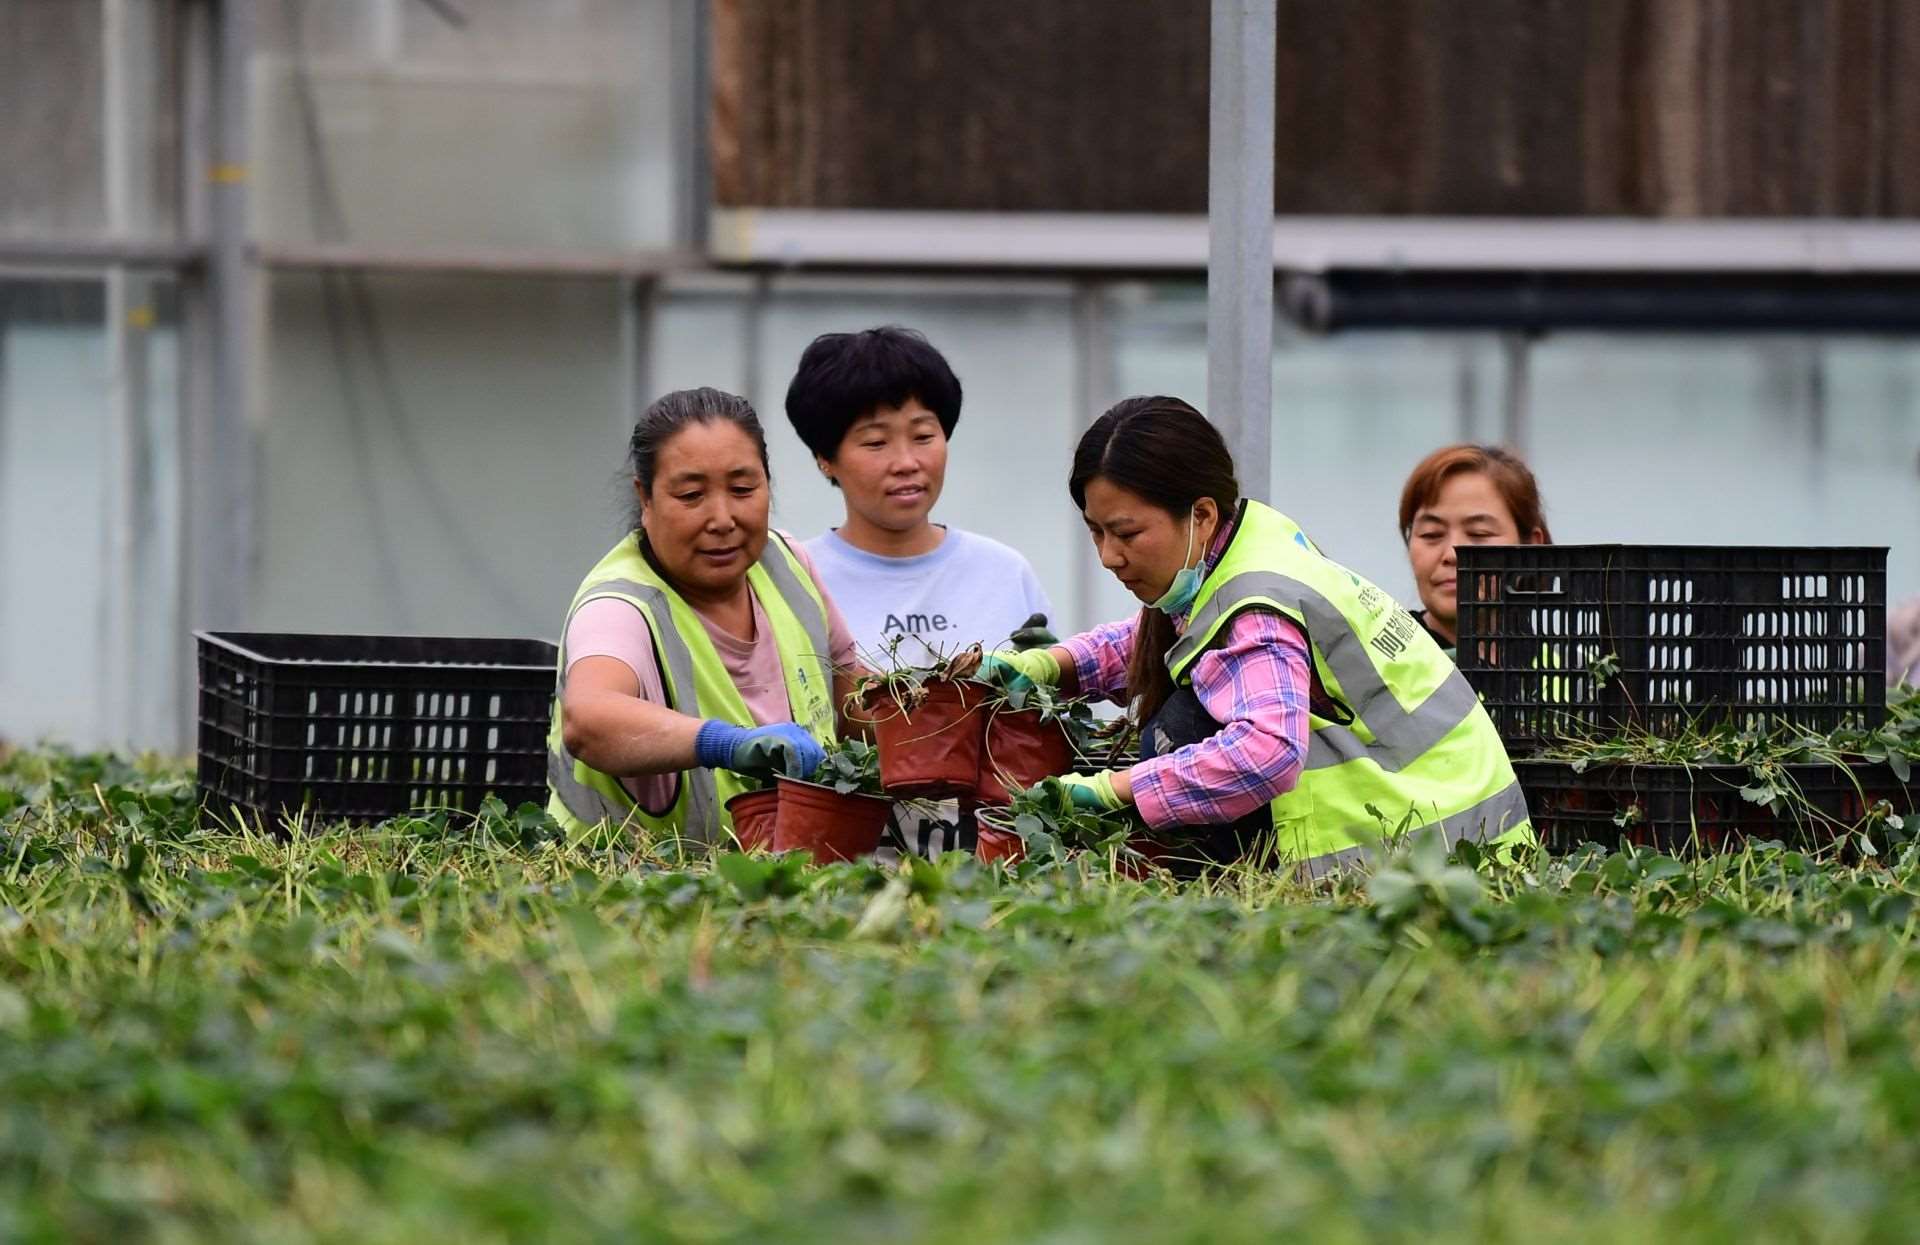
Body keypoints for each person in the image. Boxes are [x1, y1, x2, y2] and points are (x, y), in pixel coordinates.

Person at [979, 396, 1532, 876]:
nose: (1108, 556)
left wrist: (1115, 791)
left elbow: (1267, 752)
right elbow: (1187, 637)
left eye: (1126, 533)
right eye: (1095, 532)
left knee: (1183, 727)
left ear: (1200, 513)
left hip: (1439, 853)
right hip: (1456, 831)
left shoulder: (1257, 600)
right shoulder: (1246, 541)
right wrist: (1056, 666)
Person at [547, 388, 862, 844]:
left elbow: (859, 704)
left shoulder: (785, 563)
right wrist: (725, 744)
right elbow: (590, 720)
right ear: (646, 498)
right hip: (637, 889)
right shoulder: (622, 604)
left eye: (742, 489)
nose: (722, 518)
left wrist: (955, 694)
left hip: (793, 876)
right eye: (692, 495)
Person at [784, 326, 1055, 661]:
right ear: (825, 458)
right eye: (876, 443)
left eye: (923, 436)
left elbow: (1052, 701)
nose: (906, 463)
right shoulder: (797, 582)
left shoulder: (1004, 573)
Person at [1396, 444, 1551, 658]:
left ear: (1530, 549)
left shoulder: (1585, 676)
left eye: (1479, 534)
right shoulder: (1367, 672)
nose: (1452, 554)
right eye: (1431, 534)